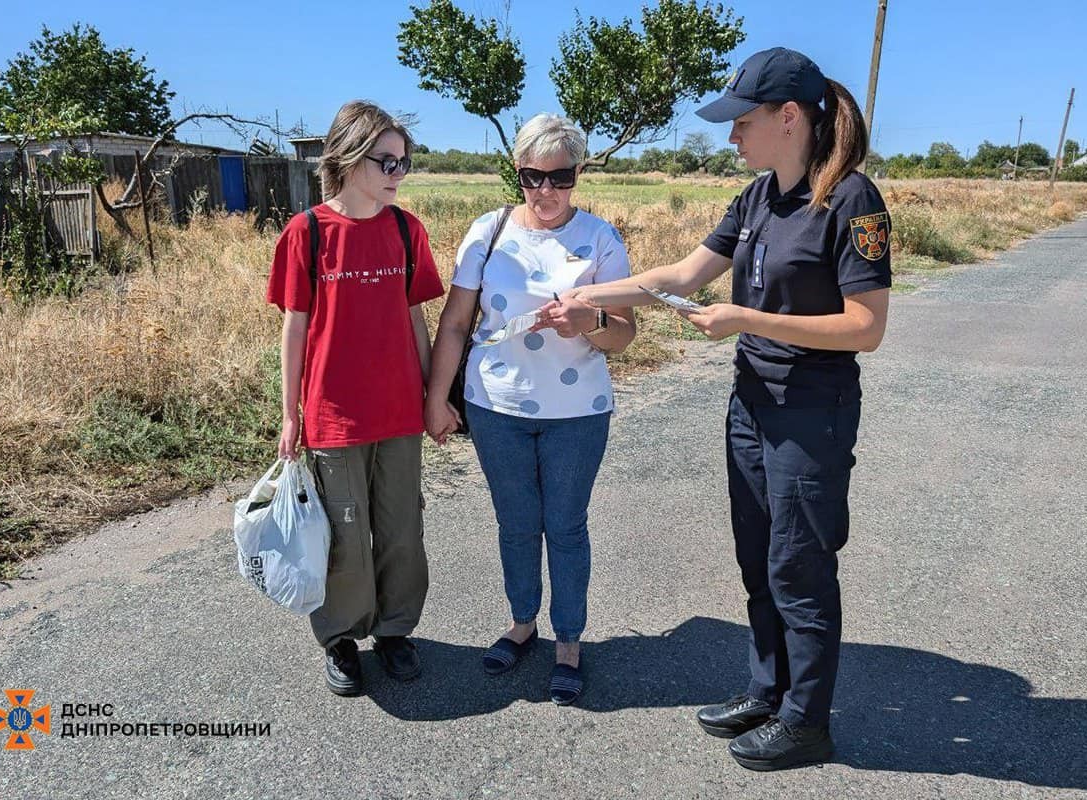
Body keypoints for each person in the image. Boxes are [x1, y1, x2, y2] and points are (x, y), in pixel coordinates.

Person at [556, 48, 891, 768]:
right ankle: (767, 691)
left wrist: (747, 319)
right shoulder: (755, 198)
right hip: (752, 405)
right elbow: (682, 275)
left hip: (812, 410)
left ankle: (807, 722)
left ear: (789, 118)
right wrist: (594, 297)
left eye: (743, 121)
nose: (731, 136)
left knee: (800, 567)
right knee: (759, 561)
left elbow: (867, 327)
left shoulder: (852, 200)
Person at [425, 113, 636, 706]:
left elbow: (624, 334)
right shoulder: (487, 232)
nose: (546, 191)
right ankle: (523, 624)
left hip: (577, 412)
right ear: (516, 173)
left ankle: (568, 640)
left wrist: (589, 321)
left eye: (560, 177)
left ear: (578, 173)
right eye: (531, 177)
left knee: (565, 527)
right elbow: (455, 323)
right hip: (496, 406)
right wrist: (436, 397)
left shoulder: (601, 239)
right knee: (517, 525)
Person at [266, 100, 445, 697]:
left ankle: (394, 631)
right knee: (343, 533)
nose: (398, 172)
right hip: (332, 416)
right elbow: (295, 328)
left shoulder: (405, 229)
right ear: (346, 159)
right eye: (386, 161)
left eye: (404, 162)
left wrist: (434, 395)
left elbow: (416, 317)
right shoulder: (306, 231)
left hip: (398, 412)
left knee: (400, 529)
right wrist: (289, 415)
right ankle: (341, 637)